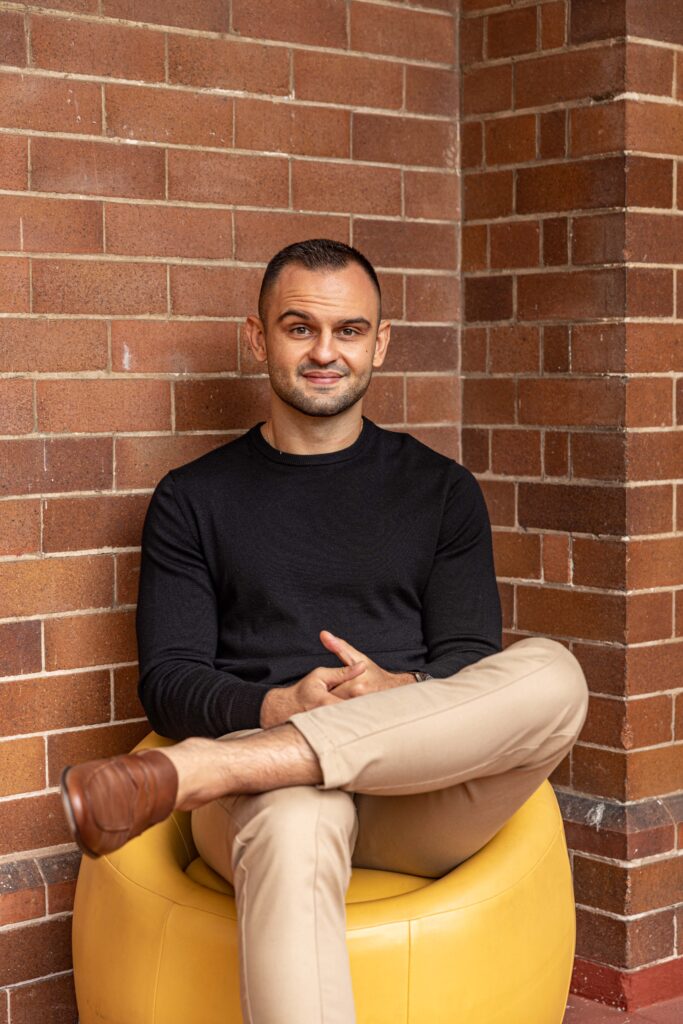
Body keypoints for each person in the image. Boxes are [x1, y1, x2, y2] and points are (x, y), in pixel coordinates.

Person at [61, 238, 589, 1024]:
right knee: (293, 817)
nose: (323, 352)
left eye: (347, 331)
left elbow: (470, 663)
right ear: (257, 337)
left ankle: (202, 771)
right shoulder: (192, 499)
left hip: (418, 792)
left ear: (379, 343)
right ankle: (252, 764)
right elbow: (167, 681)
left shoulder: (441, 491)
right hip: (268, 794)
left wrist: (399, 693)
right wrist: (278, 708)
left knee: (554, 674)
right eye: (298, 327)